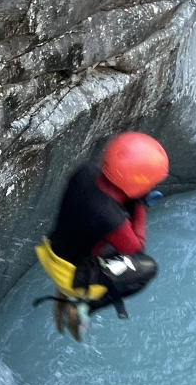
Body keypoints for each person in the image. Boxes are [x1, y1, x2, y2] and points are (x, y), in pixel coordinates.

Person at [35, 132, 168, 340]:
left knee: (95, 236)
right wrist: (140, 206)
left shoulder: (85, 172)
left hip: (52, 250)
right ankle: (82, 303)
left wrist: (128, 201)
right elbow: (135, 249)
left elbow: (92, 197)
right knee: (146, 269)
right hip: (70, 274)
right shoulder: (110, 219)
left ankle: (71, 288)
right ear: (139, 184)